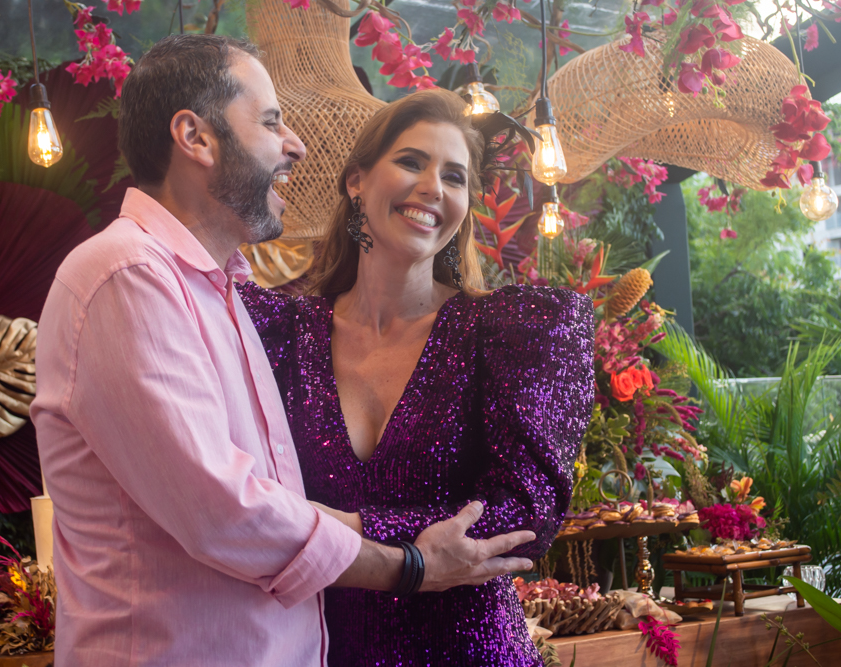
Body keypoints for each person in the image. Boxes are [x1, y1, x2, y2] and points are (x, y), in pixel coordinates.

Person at [31, 35, 537, 667]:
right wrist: (411, 565)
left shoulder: (224, 294)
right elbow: (224, 511)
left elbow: (272, 505)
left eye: (455, 176)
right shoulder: (127, 275)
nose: (294, 145)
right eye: (271, 122)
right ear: (195, 137)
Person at [238, 89, 595, 666]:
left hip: (472, 652)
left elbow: (525, 512)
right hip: (318, 651)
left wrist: (345, 526)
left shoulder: (509, 332)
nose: (433, 187)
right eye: (411, 162)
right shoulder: (277, 332)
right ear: (356, 181)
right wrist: (411, 549)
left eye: (454, 177)